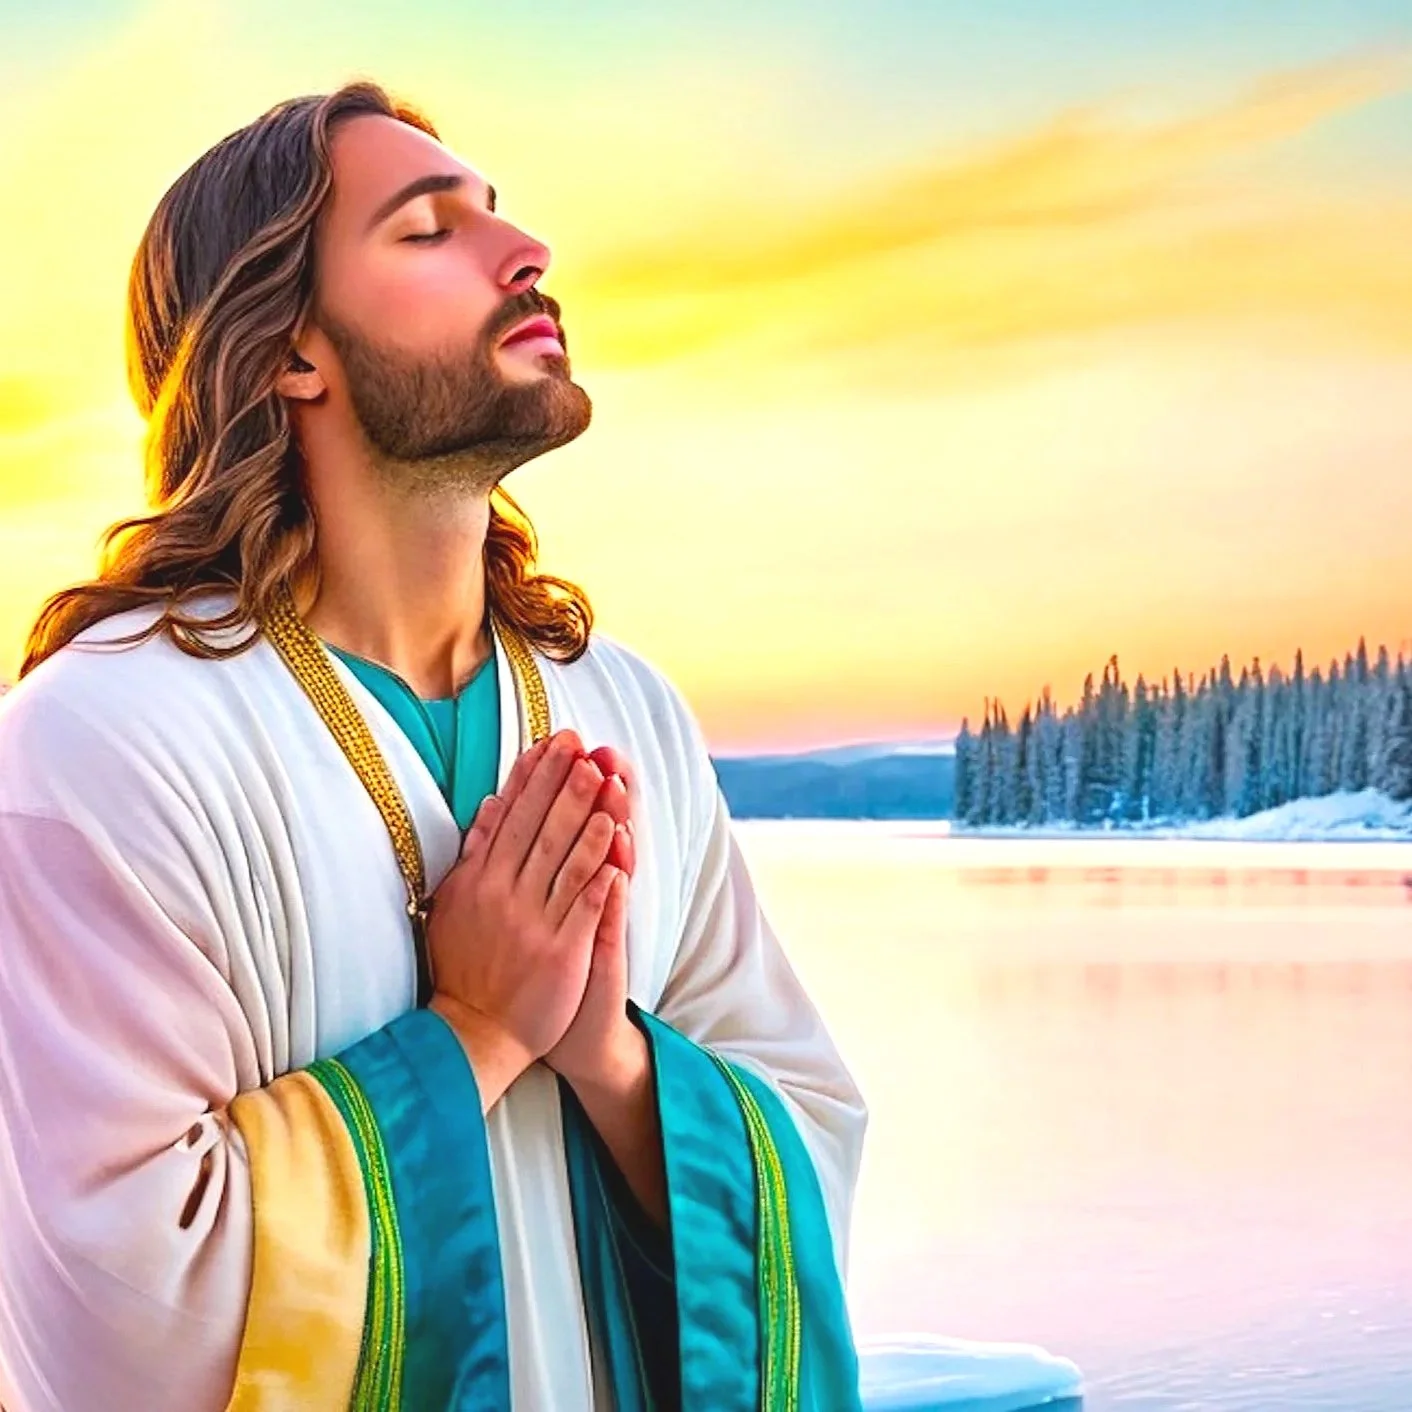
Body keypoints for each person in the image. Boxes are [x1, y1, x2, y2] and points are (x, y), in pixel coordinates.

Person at [0, 81, 867, 1411]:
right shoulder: (107, 741)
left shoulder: (624, 710)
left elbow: (807, 1129)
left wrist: (613, 1060)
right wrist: (477, 1033)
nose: (526, 253)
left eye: (497, 214)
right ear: (290, 353)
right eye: (426, 229)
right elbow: (115, 1296)